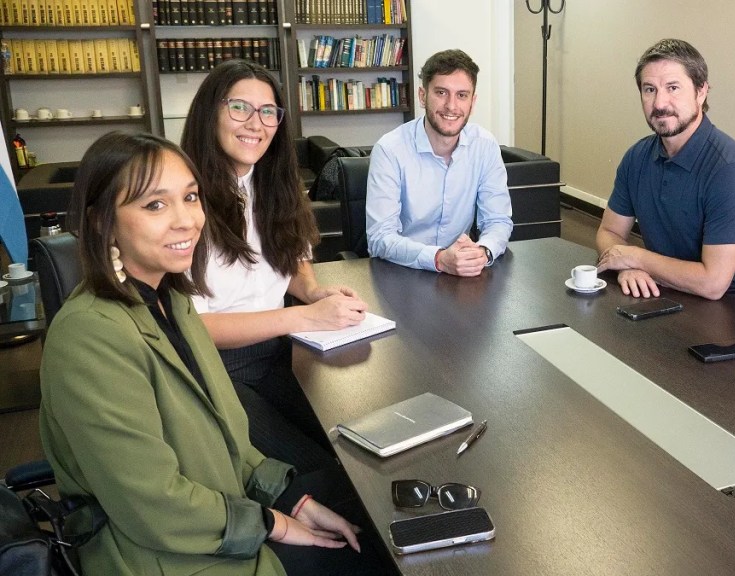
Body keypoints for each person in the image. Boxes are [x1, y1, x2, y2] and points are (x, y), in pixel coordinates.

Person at [39, 132, 383, 575]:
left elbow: (228, 439)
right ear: (102, 221)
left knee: (366, 515)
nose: (186, 220)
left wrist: (291, 500)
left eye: (190, 197)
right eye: (155, 205)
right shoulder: (89, 337)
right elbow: (153, 505)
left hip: (221, 514)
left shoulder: (172, 300)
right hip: (164, 554)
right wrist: (271, 523)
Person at [181, 60, 368, 472]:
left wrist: (314, 291)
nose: (256, 123)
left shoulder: (273, 182)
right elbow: (195, 328)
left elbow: (295, 256)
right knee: (318, 474)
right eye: (239, 108)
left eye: (268, 112)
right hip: (213, 370)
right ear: (209, 111)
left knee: (356, 449)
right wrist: (301, 315)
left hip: (279, 353)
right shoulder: (184, 200)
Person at [595, 39, 735, 306]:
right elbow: (609, 231)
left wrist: (635, 257)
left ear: (701, 92)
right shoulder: (637, 157)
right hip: (666, 288)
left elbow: (712, 284)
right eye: (649, 89)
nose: (660, 103)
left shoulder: (730, 170)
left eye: (673, 88)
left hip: (734, 308)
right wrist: (627, 267)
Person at [365, 48, 513, 276]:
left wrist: (483, 251)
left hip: (461, 274)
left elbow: (498, 220)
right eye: (442, 93)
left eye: (462, 95)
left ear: (473, 102)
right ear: (423, 96)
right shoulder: (390, 150)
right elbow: (380, 238)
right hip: (402, 272)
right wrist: (439, 259)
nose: (452, 106)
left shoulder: (485, 146)